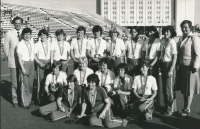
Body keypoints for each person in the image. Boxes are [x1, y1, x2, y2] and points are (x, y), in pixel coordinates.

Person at [176, 20, 200, 117]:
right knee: (185, 89)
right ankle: (185, 107)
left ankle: (187, 109)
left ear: (190, 28)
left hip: (191, 67)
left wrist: (195, 67)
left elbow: (198, 54)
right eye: (182, 27)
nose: (184, 29)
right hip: (183, 66)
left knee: (189, 90)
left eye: (186, 27)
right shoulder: (182, 38)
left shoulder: (194, 38)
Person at [3, 16, 23, 107]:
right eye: (16, 23)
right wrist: (9, 57)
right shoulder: (8, 34)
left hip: (23, 62)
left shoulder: (25, 32)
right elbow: (6, 48)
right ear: (14, 24)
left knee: (22, 81)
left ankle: (22, 99)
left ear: (21, 24)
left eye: (19, 23)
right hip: (13, 62)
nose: (18, 25)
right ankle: (15, 100)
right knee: (14, 82)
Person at [159, 26, 177, 115]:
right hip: (163, 65)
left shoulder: (172, 42)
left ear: (171, 33)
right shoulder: (164, 41)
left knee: (169, 89)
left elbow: (175, 57)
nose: (166, 33)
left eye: (168, 32)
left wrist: (171, 70)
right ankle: (166, 107)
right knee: (164, 88)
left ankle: (171, 108)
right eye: (165, 31)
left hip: (169, 65)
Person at [17, 27, 35, 109]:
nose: (27, 36)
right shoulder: (20, 44)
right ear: (23, 35)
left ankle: (29, 100)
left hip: (32, 63)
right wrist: (23, 68)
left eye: (28, 34)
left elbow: (33, 54)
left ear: (30, 35)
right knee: (25, 84)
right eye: (25, 34)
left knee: (30, 84)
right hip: (25, 64)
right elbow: (19, 57)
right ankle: (24, 102)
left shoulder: (32, 42)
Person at [34, 29, 52, 104]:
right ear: (39, 36)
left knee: (48, 82)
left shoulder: (51, 43)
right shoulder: (37, 44)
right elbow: (34, 55)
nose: (42, 36)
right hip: (41, 63)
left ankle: (47, 97)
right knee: (41, 82)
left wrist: (50, 61)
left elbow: (52, 53)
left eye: (44, 35)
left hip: (48, 63)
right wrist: (38, 63)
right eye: (41, 35)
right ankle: (39, 98)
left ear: (46, 35)